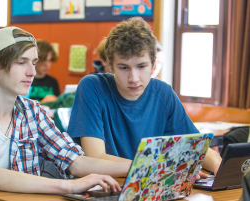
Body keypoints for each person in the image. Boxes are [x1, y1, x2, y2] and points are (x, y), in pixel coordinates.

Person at [0, 27, 131, 201]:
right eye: (21, 62)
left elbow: (75, 162)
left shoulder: (33, 112)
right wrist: (69, 187)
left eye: (34, 62)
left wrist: (139, 167)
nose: (32, 72)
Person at [67, 17, 222, 177]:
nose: (134, 78)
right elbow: (95, 157)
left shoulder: (163, 92)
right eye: (124, 67)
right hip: (107, 188)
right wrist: (162, 168)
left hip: (153, 185)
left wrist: (219, 167)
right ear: (110, 65)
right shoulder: (92, 86)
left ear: (153, 64)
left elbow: (198, 147)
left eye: (141, 66)